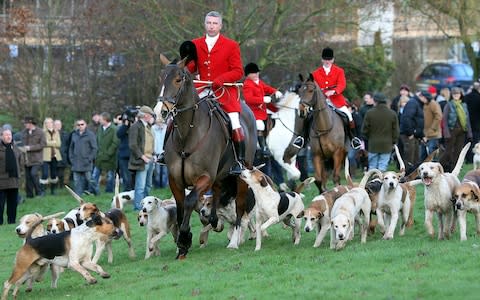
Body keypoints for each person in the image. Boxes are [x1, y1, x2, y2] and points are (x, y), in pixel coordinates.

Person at [183, 10, 245, 174]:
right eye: (209, 23)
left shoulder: (231, 45)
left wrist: (222, 79)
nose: (211, 26)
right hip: (202, 89)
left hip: (224, 91)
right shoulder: (195, 43)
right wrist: (185, 65)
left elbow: (238, 71)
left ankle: (239, 161)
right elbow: (192, 68)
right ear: (204, 24)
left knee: (235, 121)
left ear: (220, 26)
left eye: (214, 23)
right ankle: (166, 152)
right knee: (180, 113)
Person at [311, 47, 361, 149]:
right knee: (308, 116)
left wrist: (334, 91)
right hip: (321, 102)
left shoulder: (339, 71)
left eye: (329, 59)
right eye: (325, 59)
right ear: (322, 60)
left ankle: (353, 139)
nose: (327, 61)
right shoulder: (315, 73)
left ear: (333, 60)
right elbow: (313, 87)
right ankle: (302, 138)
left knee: (349, 116)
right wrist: (323, 93)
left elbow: (342, 84)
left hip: (336, 100)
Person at [242, 62, 282, 159]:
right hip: (253, 113)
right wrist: (262, 99)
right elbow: (249, 99)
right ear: (248, 75)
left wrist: (275, 91)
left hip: (262, 112)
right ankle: (261, 148)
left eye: (257, 73)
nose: (256, 75)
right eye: (254, 73)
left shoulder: (259, 82)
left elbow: (266, 88)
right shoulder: (247, 84)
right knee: (260, 125)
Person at [361, 93, 399, 171]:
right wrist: (393, 141)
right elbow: (395, 131)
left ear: (375, 101)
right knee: (383, 166)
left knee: (372, 167)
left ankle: (372, 182)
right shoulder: (392, 114)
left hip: (373, 144)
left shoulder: (369, 113)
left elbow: (364, 130)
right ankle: (380, 182)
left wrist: (369, 138)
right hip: (387, 144)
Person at [439, 87, 473, 172]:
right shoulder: (449, 104)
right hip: (451, 131)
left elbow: (467, 119)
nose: (456, 95)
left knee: (458, 152)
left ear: (461, 95)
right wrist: (446, 133)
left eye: (458, 94)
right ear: (452, 95)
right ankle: (438, 166)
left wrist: (470, 133)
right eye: (454, 94)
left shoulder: (464, 105)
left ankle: (453, 170)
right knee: (448, 152)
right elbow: (445, 120)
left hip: (462, 131)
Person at [129, 105, 155, 211]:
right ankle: (138, 207)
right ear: (145, 115)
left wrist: (153, 155)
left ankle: (147, 205)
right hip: (142, 161)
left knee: (148, 185)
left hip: (150, 159)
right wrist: (142, 156)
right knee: (140, 186)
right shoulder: (135, 126)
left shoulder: (148, 126)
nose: (151, 117)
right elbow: (133, 145)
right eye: (150, 115)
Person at [91, 112, 119, 195]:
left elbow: (115, 143)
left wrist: (108, 153)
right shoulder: (100, 128)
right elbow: (97, 140)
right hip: (99, 156)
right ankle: (95, 191)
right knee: (94, 175)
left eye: (101, 119)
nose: (99, 121)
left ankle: (109, 191)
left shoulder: (114, 129)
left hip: (110, 157)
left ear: (105, 120)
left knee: (110, 176)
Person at [69, 119, 97, 196]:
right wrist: (71, 158)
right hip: (76, 161)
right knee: (76, 180)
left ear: (86, 125)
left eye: (82, 124)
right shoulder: (74, 134)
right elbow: (71, 148)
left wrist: (89, 159)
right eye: (78, 125)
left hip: (86, 161)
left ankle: (96, 192)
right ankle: (78, 194)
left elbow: (94, 148)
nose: (80, 126)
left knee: (90, 179)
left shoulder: (90, 135)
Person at [20, 116, 46, 198]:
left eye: (26, 123)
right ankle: (29, 195)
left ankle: (40, 192)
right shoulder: (24, 132)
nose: (25, 125)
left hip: (37, 158)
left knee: (33, 174)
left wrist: (30, 148)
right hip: (26, 159)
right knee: (28, 177)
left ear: (31, 123)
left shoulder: (40, 132)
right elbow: (21, 143)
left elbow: (43, 144)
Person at [0, 128, 21, 224]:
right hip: (1, 180)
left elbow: (20, 161)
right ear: (1, 136)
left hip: (14, 180)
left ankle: (11, 221)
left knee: (13, 203)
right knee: (0, 203)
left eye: (10, 135)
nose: (9, 137)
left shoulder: (15, 148)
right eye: (6, 135)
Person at [399, 92, 424, 173]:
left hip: (414, 134)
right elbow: (407, 119)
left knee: (415, 156)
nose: (405, 104)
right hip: (408, 134)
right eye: (403, 102)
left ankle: (414, 173)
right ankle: (407, 174)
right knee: (409, 156)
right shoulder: (412, 106)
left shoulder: (414, 105)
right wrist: (410, 133)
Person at [418, 91, 442, 161]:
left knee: (432, 154)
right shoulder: (423, 104)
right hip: (425, 134)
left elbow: (438, 117)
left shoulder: (433, 104)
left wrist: (432, 129)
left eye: (422, 97)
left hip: (433, 134)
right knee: (423, 155)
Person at [40, 117, 62, 195]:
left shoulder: (56, 132)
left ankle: (53, 191)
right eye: (47, 123)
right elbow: (44, 143)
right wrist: (53, 142)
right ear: (45, 124)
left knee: (54, 174)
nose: (49, 124)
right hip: (45, 156)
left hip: (55, 156)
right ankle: (42, 191)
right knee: (45, 174)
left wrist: (49, 142)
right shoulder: (42, 132)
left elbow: (59, 144)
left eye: (50, 122)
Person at [117, 112, 134, 191]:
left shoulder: (136, 126)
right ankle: (127, 190)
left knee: (133, 174)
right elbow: (119, 134)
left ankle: (132, 190)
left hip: (134, 154)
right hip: (124, 155)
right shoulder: (123, 127)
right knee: (125, 174)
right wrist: (126, 125)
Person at [464, 81, 480, 163]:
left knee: (467, 141)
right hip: (476, 124)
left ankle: (467, 158)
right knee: (474, 141)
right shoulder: (478, 97)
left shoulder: (466, 97)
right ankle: (472, 158)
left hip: (466, 123)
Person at [152, 116, 168, 189]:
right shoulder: (153, 128)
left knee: (164, 171)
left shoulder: (166, 128)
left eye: (161, 121)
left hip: (165, 152)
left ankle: (164, 185)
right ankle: (157, 186)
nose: (160, 123)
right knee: (157, 172)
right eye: (158, 121)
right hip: (156, 152)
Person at [54, 119, 69, 190]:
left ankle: (61, 185)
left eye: (59, 125)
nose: (58, 126)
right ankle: (55, 186)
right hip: (53, 156)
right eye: (56, 125)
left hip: (63, 156)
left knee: (61, 172)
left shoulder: (65, 134)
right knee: (54, 172)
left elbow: (68, 145)